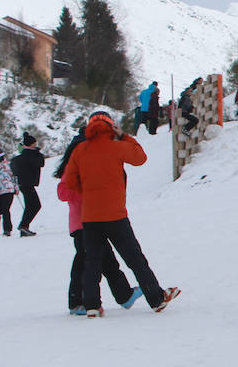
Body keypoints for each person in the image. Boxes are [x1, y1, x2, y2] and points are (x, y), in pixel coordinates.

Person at [63, 112, 178, 316]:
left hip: (90, 217)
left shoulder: (80, 150)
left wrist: (89, 194)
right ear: (111, 127)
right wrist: (124, 135)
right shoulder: (117, 147)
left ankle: (91, 305)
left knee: (92, 262)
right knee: (134, 258)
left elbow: (70, 182)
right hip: (115, 215)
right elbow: (140, 157)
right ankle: (156, 298)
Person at [53, 128, 141, 314]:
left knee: (106, 261)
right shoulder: (74, 165)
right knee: (86, 262)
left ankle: (124, 295)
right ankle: (79, 303)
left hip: (95, 220)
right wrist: (87, 192)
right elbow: (63, 192)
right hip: (82, 223)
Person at [11, 132, 45, 236]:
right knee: (35, 205)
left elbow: (14, 168)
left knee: (30, 205)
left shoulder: (19, 157)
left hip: (22, 183)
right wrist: (37, 152)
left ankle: (24, 227)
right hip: (28, 183)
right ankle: (24, 225)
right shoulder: (33, 155)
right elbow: (41, 163)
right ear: (32, 144)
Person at [0, 146, 16, 238]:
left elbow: (14, 177)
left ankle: (7, 230)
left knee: (5, 210)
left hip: (7, 190)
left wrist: (16, 188)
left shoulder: (7, 165)